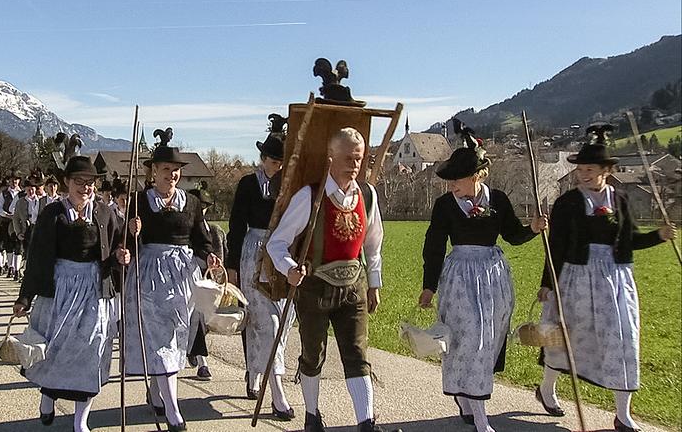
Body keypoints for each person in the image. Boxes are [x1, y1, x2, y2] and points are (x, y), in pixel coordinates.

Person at [536, 124, 677, 432]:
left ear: (605, 170)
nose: (583, 174)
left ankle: (623, 414)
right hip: (576, 279)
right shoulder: (568, 203)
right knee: (563, 339)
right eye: (580, 169)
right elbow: (555, 246)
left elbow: (630, 241)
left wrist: (659, 236)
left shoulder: (621, 200)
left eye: (590, 169)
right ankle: (547, 389)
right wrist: (548, 283)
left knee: (624, 340)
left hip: (615, 281)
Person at [418, 120, 546, 432]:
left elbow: (512, 235)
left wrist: (532, 229)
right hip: (460, 278)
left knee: (488, 340)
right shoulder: (445, 206)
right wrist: (429, 286)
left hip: (492, 278)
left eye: (457, 179)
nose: (452, 185)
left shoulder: (498, 200)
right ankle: (479, 414)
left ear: (477, 176)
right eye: (449, 181)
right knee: (468, 339)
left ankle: (466, 396)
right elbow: (434, 245)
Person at [267, 128, 391, 432]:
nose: (355, 164)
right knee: (313, 354)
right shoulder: (310, 196)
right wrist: (289, 268)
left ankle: (366, 423)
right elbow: (276, 243)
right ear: (331, 156)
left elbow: (374, 243)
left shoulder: (367, 195)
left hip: (353, 287)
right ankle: (312, 416)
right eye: (348, 157)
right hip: (314, 288)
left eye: (360, 158)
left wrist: (374, 282)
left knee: (357, 354)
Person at [12, 156, 131, 432]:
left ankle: (81, 422)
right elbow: (38, 257)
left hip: (94, 292)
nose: (86, 187)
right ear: (66, 182)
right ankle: (47, 396)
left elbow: (116, 248)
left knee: (92, 349)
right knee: (54, 351)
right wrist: (25, 297)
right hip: (60, 292)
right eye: (79, 182)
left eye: (90, 183)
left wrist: (123, 253)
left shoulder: (105, 213)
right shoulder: (52, 214)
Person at [123, 128, 219, 432]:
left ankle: (157, 389)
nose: (172, 176)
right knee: (158, 338)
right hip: (149, 276)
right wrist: (132, 232)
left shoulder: (190, 202)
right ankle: (174, 410)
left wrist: (208, 258)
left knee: (177, 337)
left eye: (176, 171)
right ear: (153, 171)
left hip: (181, 277)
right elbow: (123, 243)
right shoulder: (139, 201)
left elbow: (202, 240)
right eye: (166, 170)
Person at [226, 114, 296, 419]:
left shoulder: (291, 186)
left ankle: (258, 371)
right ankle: (275, 390)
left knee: (283, 320)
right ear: (263, 158)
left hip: (282, 254)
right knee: (261, 320)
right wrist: (231, 267)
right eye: (272, 160)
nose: (276, 166)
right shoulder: (248, 185)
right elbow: (235, 224)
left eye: (281, 161)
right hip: (253, 254)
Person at [186, 182, 227, 381]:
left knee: (201, 321)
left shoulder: (215, 231)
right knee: (196, 319)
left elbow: (223, 256)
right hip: (187, 279)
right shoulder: (185, 228)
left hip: (209, 282)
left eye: (203, 207)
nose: (200, 211)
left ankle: (194, 351)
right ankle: (203, 363)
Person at [12, 172, 46, 282]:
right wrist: (18, 232)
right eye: (28, 189)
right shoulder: (20, 202)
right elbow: (16, 218)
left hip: (39, 229)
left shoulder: (41, 200)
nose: (31, 191)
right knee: (26, 253)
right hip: (26, 229)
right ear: (25, 190)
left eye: (33, 189)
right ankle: (26, 273)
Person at [0, 172, 24, 279]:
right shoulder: (4, 193)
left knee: (18, 246)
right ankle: (10, 266)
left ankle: (16, 269)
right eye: (13, 180)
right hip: (7, 221)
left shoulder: (22, 193)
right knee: (8, 245)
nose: (15, 182)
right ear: (9, 181)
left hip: (19, 222)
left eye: (16, 180)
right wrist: (5, 214)